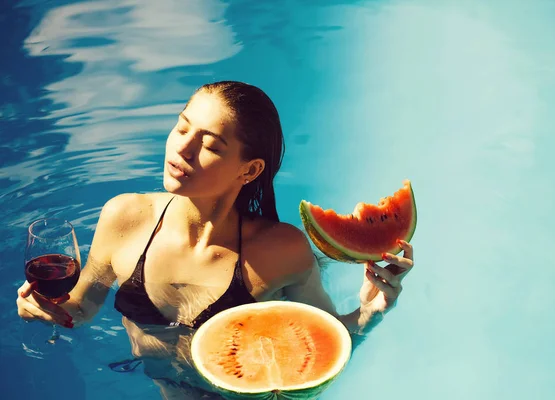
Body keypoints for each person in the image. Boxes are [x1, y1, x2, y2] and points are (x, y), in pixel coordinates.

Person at [16, 81, 415, 399]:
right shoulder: (124, 217)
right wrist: (47, 307)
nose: (182, 148)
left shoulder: (279, 251)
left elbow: (326, 344)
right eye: (182, 126)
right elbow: (83, 308)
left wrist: (372, 310)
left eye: (209, 145)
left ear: (249, 169)